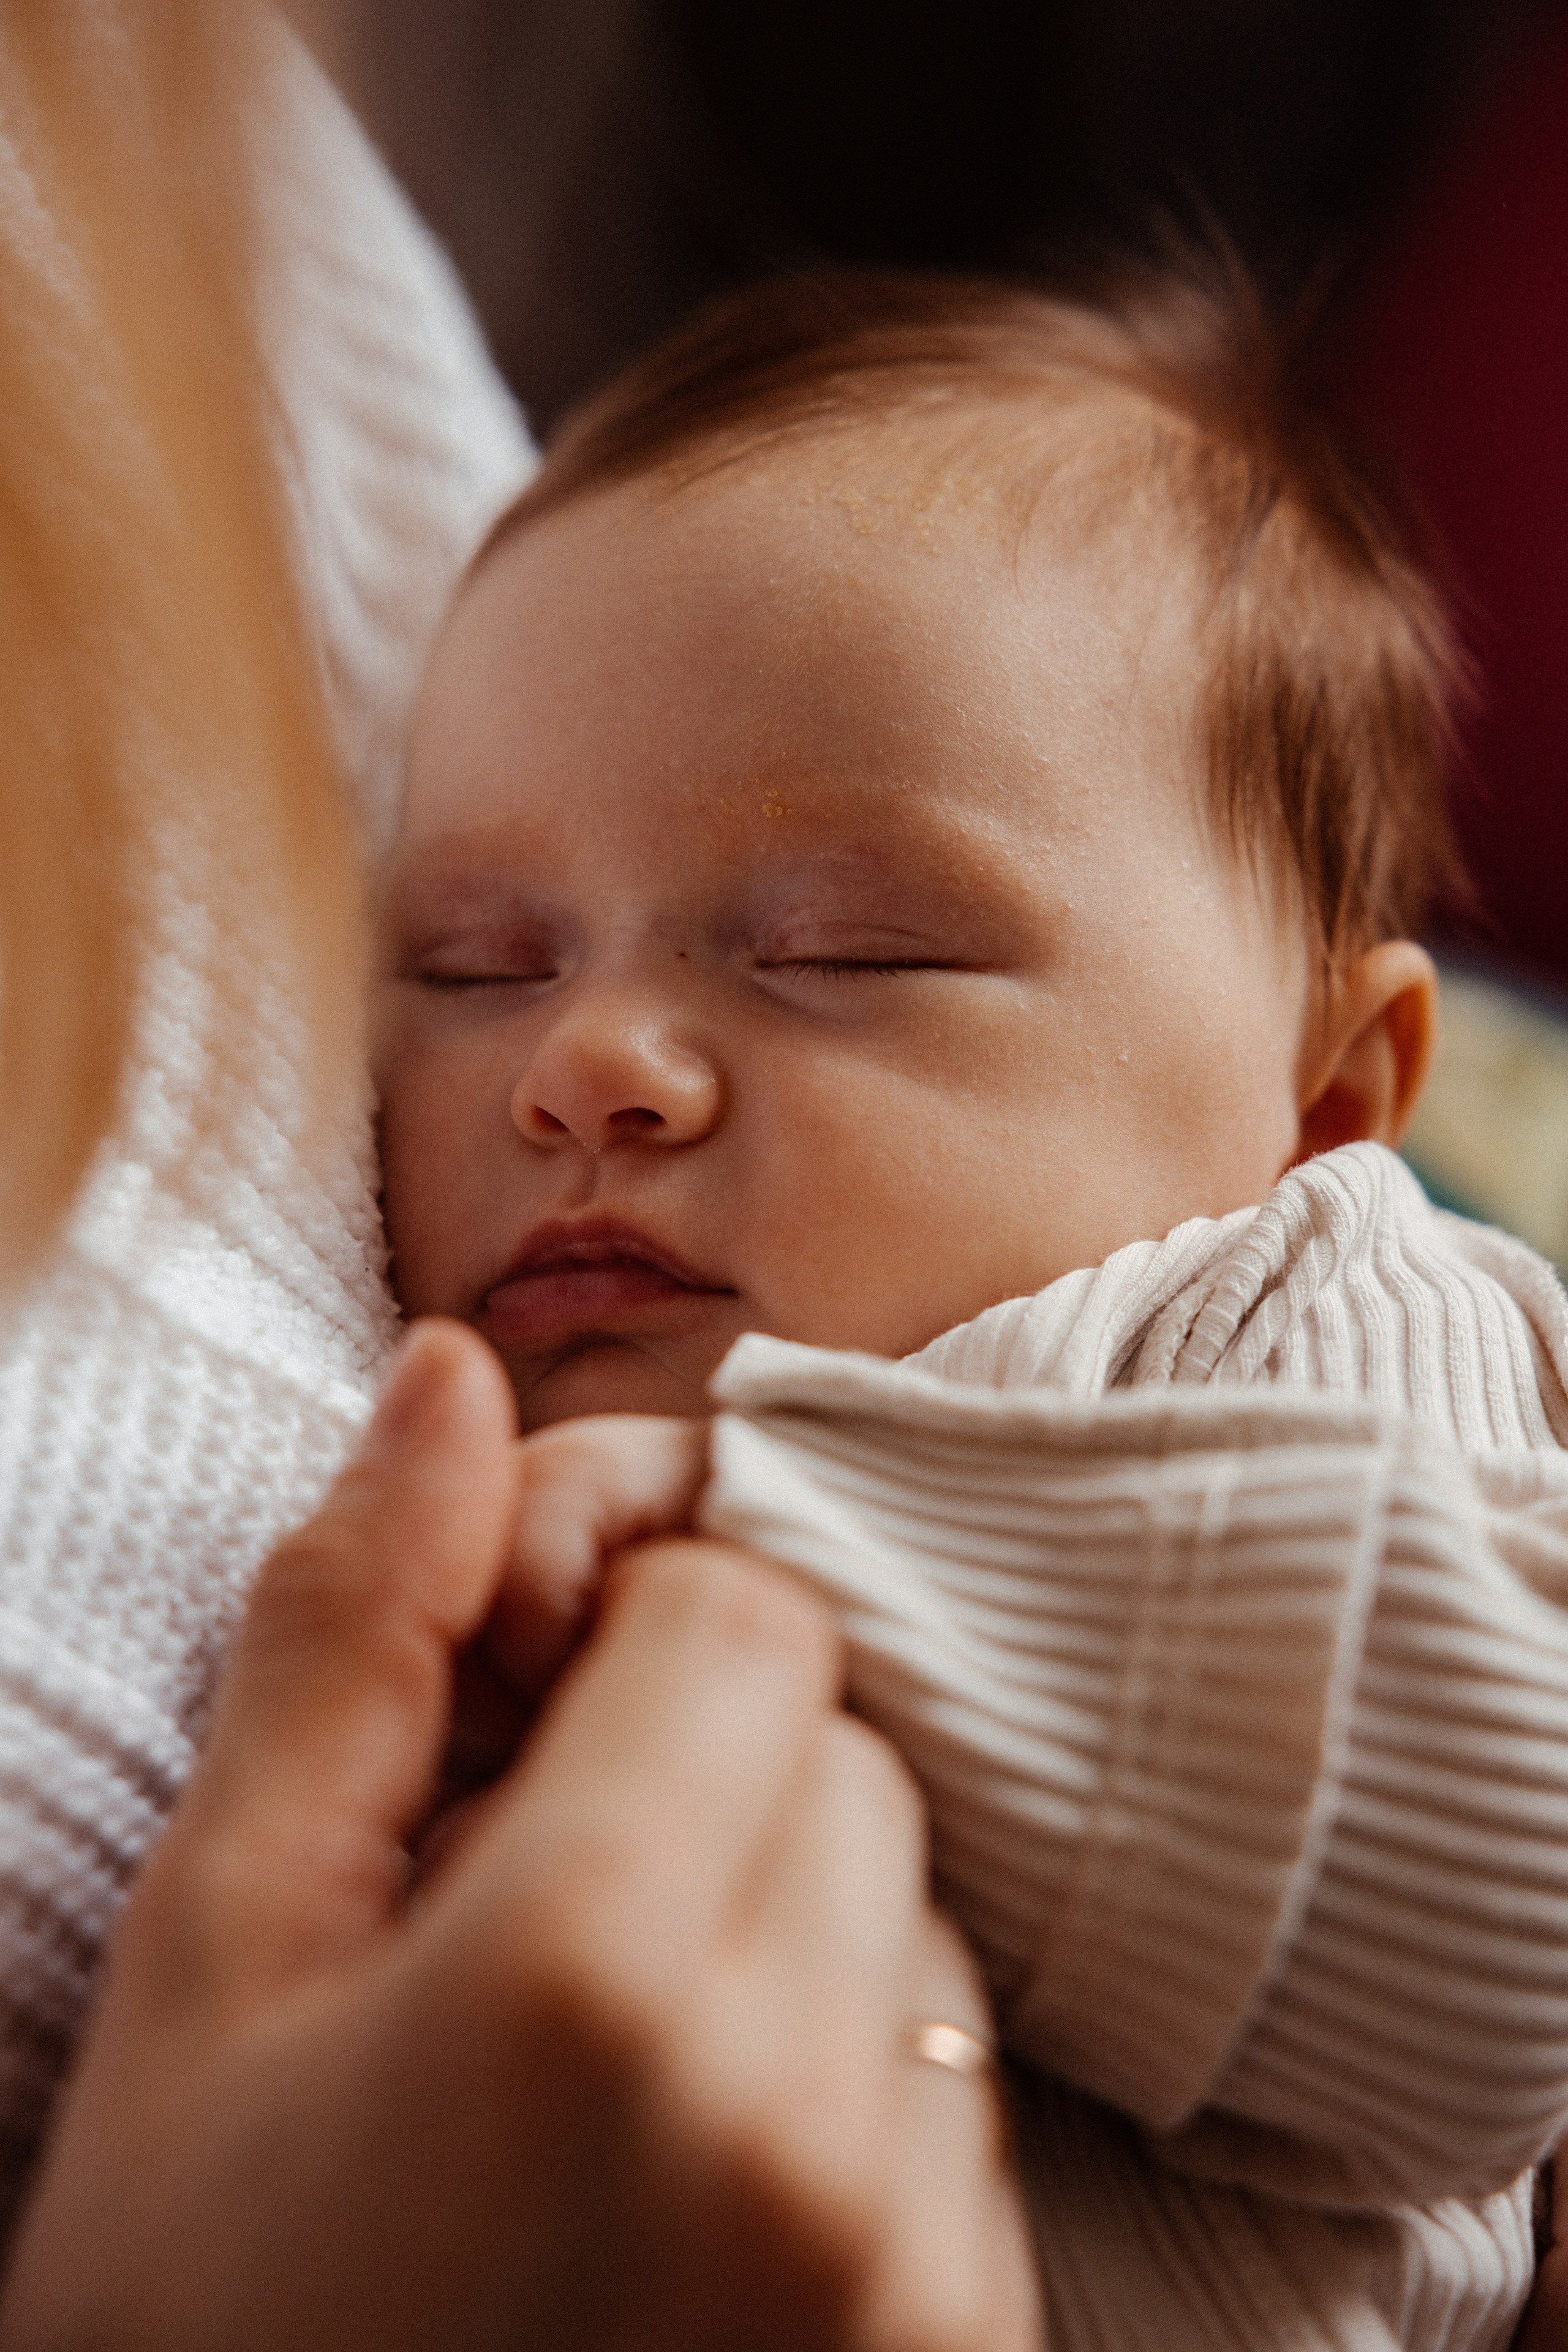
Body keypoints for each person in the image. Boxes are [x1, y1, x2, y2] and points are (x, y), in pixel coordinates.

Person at [369, 266, 1568, 2348]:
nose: (589, 1065)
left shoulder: (1288, 1298)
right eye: (480, 962)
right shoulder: (445, 1401)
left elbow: (1517, 1898)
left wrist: (787, 1536)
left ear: (1323, 1097)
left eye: (847, 948)